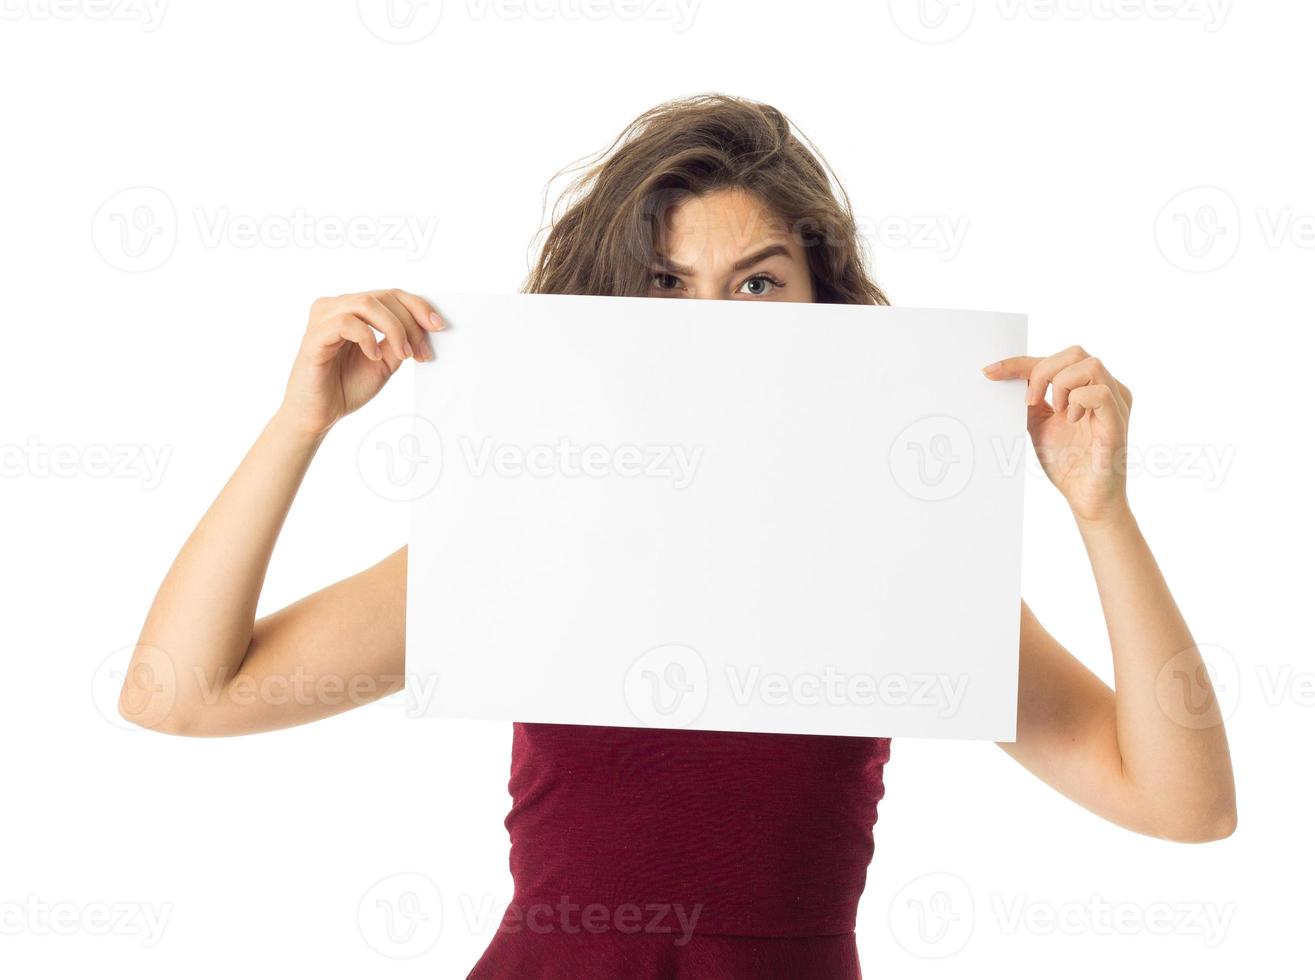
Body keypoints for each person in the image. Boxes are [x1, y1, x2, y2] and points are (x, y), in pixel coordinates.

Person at [119, 93, 1236, 980]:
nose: (712, 327)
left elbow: (1183, 802)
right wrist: (298, 422)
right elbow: (182, 692)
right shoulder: (519, 538)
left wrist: (1104, 512)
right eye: (666, 284)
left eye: (757, 282)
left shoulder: (897, 559)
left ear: (821, 312)